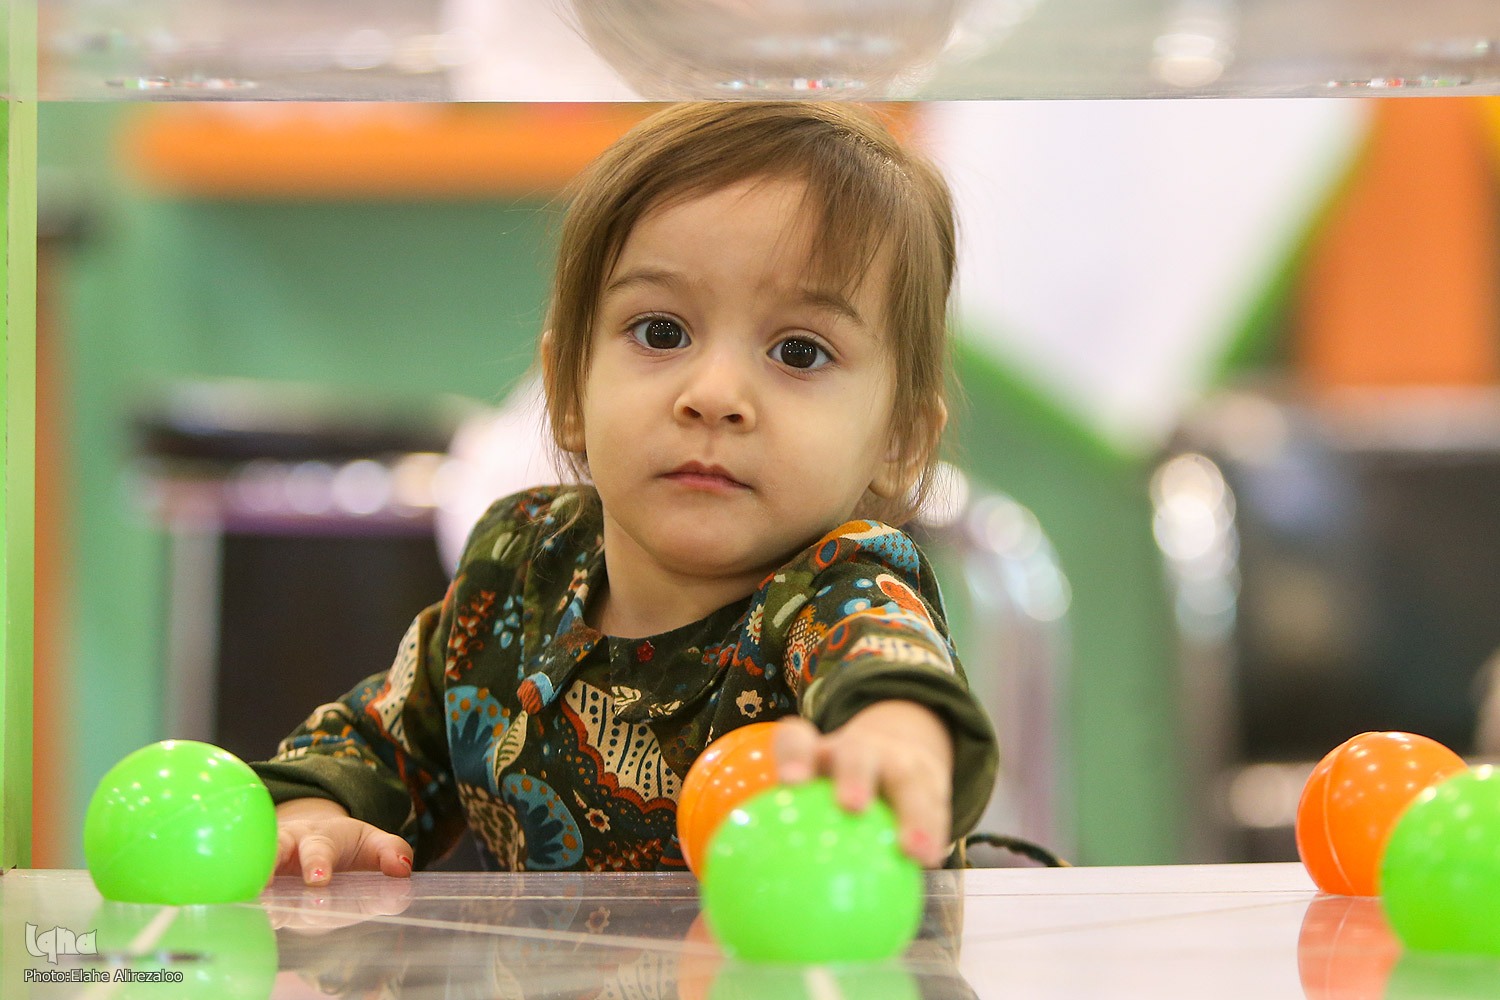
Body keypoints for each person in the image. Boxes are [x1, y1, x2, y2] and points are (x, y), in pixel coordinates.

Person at [253, 101, 1000, 882]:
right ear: (567, 391)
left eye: (799, 352)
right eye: (661, 332)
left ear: (899, 441)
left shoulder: (838, 589)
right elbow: (382, 740)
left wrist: (894, 737)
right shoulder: (519, 569)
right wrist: (317, 811)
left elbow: (887, 668)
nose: (714, 395)